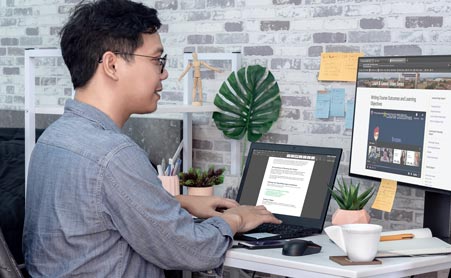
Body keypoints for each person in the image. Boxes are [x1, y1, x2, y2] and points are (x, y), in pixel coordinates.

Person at [22, 0, 281, 277]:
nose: (165, 73)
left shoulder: (52, 138)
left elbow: (92, 212)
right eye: (157, 60)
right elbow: (192, 250)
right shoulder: (114, 154)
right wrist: (237, 219)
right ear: (112, 65)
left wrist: (179, 202)